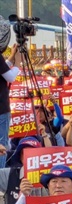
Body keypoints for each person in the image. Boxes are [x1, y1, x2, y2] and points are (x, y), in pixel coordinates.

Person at [1, 38, 21, 168]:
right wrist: (18, 63)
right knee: (2, 145)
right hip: (1, 109)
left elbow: (2, 69)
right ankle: (1, 176)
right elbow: (10, 77)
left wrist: (11, 57)